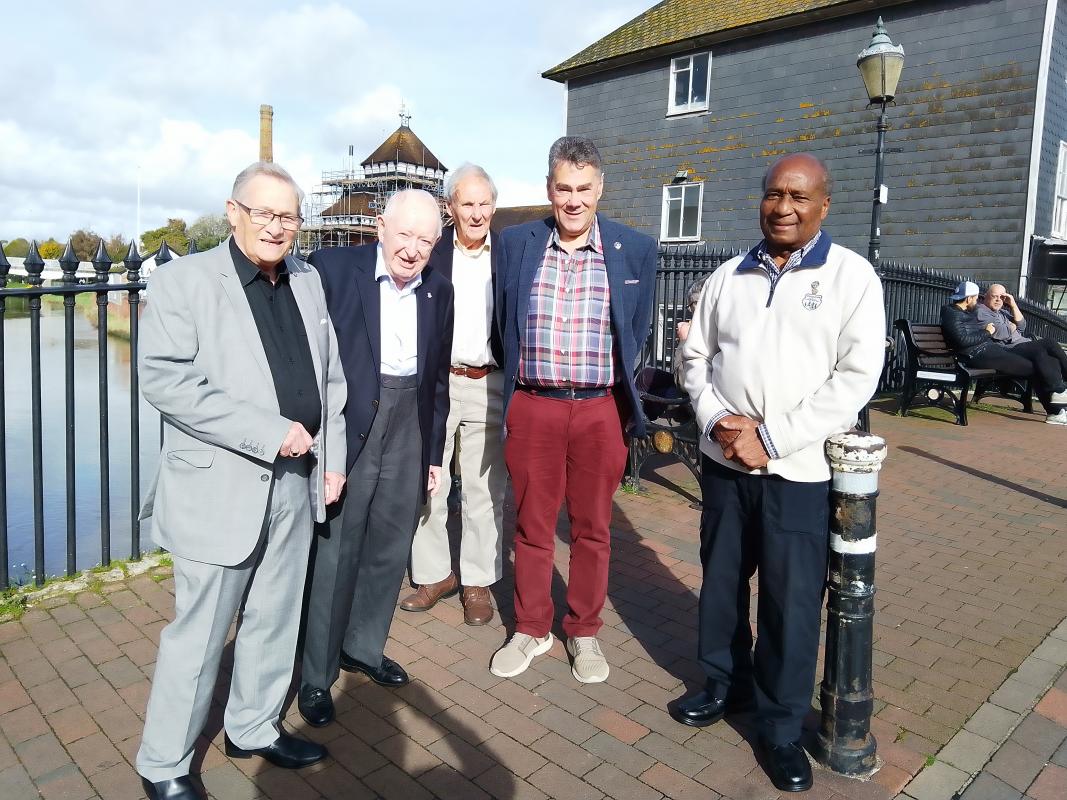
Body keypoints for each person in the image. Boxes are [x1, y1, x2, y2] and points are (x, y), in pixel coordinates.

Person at [135, 162, 347, 800]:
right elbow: (168, 381)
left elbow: (330, 377)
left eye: (289, 216)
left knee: (274, 618)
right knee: (199, 635)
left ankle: (252, 727)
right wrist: (267, 429)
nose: (277, 227)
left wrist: (330, 458)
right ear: (233, 212)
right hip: (219, 486)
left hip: (295, 479)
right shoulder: (183, 282)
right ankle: (164, 763)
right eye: (264, 213)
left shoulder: (308, 280)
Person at [676, 153, 885, 793]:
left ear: (824, 204)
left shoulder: (853, 278)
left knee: (792, 605)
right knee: (721, 583)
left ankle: (782, 726)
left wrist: (771, 438)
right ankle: (722, 682)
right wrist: (716, 423)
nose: (784, 207)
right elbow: (694, 357)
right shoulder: (727, 276)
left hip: (797, 472)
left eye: (798, 196)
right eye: (774, 194)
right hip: (724, 464)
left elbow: (853, 382)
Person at [491, 136, 657, 684]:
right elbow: (501, 327)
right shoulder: (515, 243)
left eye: (584, 189)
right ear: (549, 188)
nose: (573, 200)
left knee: (593, 529)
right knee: (533, 524)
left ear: (600, 189)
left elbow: (636, 331)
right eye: (563, 188)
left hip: (597, 409)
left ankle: (583, 633)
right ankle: (531, 627)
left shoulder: (634, 249)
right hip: (535, 405)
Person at [297, 189, 454, 728]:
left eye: (426, 240)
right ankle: (315, 675)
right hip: (350, 422)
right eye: (404, 234)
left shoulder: (440, 289)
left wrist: (433, 453)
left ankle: (362, 647)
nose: (412, 250)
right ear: (381, 226)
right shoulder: (331, 269)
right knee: (337, 550)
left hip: (410, 421)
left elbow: (437, 378)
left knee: (390, 544)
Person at [401, 164, 507, 626]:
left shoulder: (511, 254)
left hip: (492, 382)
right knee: (430, 482)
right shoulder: (433, 252)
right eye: (468, 203)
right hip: (440, 382)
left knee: (485, 490)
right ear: (451, 208)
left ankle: (478, 580)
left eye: (484, 203)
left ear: (494, 207)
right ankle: (434, 574)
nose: (477, 212)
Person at [941, 281, 1067, 423]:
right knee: (1045, 350)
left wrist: (1011, 310)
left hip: (988, 349)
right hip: (978, 353)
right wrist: (987, 332)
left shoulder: (973, 311)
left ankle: (1056, 408)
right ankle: (1058, 395)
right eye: (976, 298)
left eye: (1001, 297)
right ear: (969, 298)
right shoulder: (957, 312)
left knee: (1040, 362)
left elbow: (1020, 326)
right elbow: (964, 340)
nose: (977, 301)